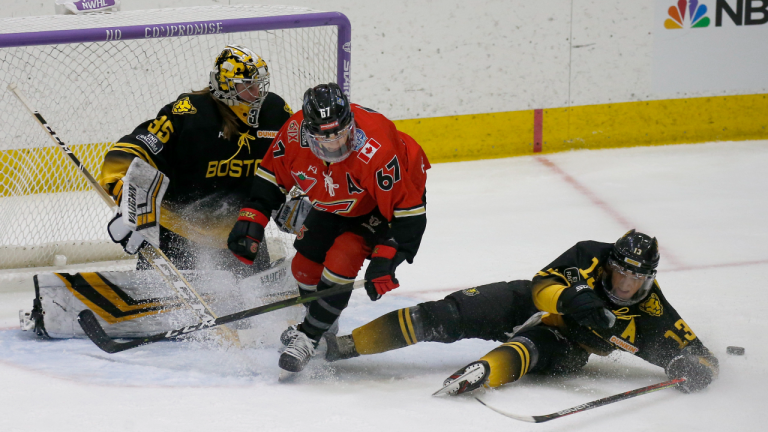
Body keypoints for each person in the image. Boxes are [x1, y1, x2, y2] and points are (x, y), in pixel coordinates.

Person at [323, 230, 719, 395]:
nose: (624, 285)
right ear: (610, 262)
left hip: (569, 344)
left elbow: (701, 356)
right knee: (443, 315)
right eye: (619, 273)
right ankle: (343, 346)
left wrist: (697, 369)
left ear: (648, 278)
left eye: (634, 278)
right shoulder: (589, 255)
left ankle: (484, 373)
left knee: (533, 348)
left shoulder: (653, 311)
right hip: (527, 301)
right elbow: (543, 286)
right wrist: (578, 302)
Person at [227, 83, 430, 372]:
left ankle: (309, 338)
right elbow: (271, 175)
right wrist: (252, 218)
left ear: (350, 122)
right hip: (337, 200)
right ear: (309, 130)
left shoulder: (378, 151)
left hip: (380, 204)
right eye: (324, 136)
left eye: (340, 134)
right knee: (303, 267)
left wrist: (388, 256)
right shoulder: (294, 133)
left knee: (342, 259)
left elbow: (408, 213)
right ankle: (322, 325)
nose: (334, 144)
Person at [99, 45, 294, 276]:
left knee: (258, 308)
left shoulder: (276, 113)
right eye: (247, 86)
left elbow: (298, 162)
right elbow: (132, 149)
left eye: (259, 85)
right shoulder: (190, 115)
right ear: (224, 86)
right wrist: (129, 198)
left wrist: (301, 200)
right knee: (163, 310)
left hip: (243, 233)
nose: (256, 95)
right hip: (175, 234)